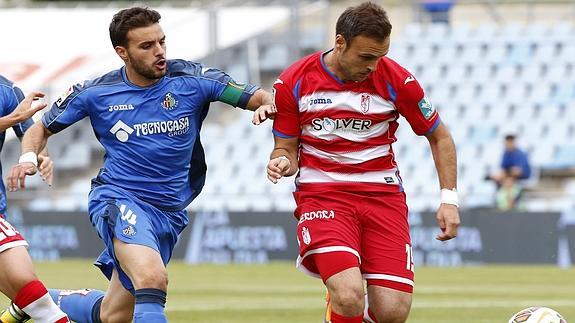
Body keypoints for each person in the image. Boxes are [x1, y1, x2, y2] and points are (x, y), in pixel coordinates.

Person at [6, 7, 274, 323]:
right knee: (151, 278)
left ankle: (40, 300)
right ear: (123, 52)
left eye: (161, 42)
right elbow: (41, 127)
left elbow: (256, 95)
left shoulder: (193, 80)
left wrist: (267, 106)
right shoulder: (96, 92)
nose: (159, 51)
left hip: (169, 210)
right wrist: (29, 157)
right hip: (119, 198)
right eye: (146, 46)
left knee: (114, 315)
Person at [265, 3, 459, 323]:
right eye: (367, 57)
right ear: (340, 42)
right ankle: (341, 304)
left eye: (380, 56)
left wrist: (449, 199)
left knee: (392, 312)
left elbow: (441, 137)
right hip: (323, 195)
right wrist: (281, 163)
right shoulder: (293, 82)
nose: (373, 66)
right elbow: (285, 149)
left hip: (383, 198)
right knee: (349, 294)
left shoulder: (399, 81)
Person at [0, 75, 69, 323]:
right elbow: (17, 121)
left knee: (33, 295)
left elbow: (32, 135)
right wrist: (11, 119)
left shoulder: (7, 90)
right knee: (38, 302)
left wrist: (39, 156)